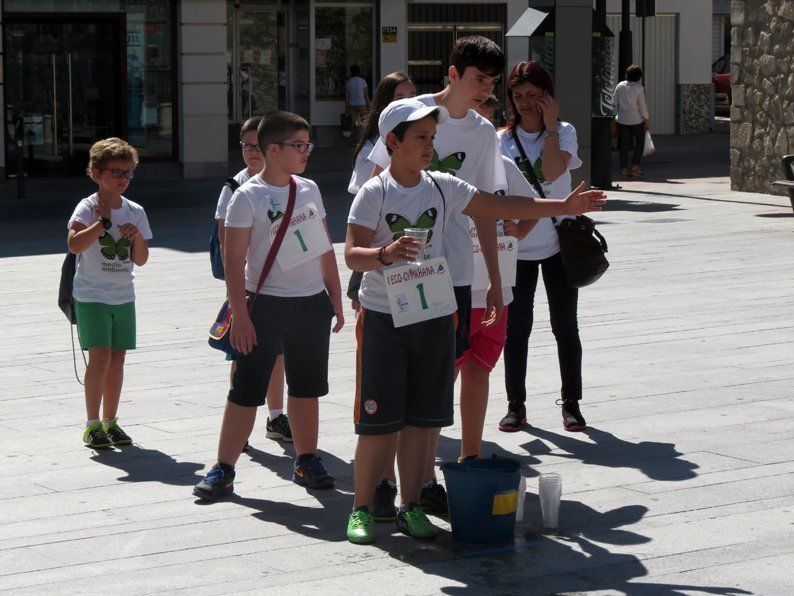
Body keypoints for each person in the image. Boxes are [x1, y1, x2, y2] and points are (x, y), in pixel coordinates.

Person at [345, 98, 606, 544]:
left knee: (423, 420)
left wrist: (564, 204)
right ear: (393, 142)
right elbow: (352, 253)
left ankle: (410, 506)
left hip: (435, 315)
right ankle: (361, 509)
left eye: (432, 137)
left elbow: (498, 206)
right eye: (420, 138)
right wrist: (385, 254)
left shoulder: (444, 186)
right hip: (386, 317)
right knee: (378, 420)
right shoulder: (377, 192)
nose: (429, 146)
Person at [366, 35, 507, 521]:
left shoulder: (486, 133)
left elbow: (489, 209)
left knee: (431, 386)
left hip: (454, 275)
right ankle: (381, 483)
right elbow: (371, 189)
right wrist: (375, 256)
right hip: (397, 273)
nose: (484, 89)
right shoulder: (411, 114)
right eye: (476, 79)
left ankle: (422, 486)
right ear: (452, 74)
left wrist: (492, 279)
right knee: (387, 384)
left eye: (491, 81)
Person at [193, 112, 345, 501]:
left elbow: (324, 245)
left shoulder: (309, 189)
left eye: (308, 144)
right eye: (298, 145)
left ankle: (306, 460)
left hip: (310, 303)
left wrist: (334, 296)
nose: (306, 151)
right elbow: (233, 260)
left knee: (307, 387)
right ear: (272, 149)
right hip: (265, 303)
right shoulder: (247, 196)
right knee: (246, 389)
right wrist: (240, 315)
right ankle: (223, 468)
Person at [496, 60, 587, 433]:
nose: (525, 103)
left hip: (558, 245)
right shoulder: (500, 139)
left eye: (533, 95)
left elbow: (551, 173)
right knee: (516, 329)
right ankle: (515, 405)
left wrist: (549, 129)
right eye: (518, 96)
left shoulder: (564, 132)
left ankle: (571, 404)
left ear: (548, 96)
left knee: (565, 326)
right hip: (517, 245)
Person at [67, 138, 152, 448]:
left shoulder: (135, 210)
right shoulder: (88, 207)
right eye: (117, 172)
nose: (123, 179)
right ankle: (92, 424)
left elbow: (140, 259)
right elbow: (74, 244)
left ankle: (111, 421)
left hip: (123, 296)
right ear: (96, 173)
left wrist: (136, 234)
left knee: (118, 361)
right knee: (100, 358)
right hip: (91, 296)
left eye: (129, 173)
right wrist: (102, 222)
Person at [214, 116, 292, 445]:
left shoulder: (290, 184)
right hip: (248, 287)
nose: (252, 152)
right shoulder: (235, 187)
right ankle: (239, 424)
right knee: (241, 354)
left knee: (277, 355)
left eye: (257, 146)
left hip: (282, 285)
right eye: (246, 146)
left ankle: (276, 417)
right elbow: (226, 245)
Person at [347, 72, 417, 312]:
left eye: (412, 95)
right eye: (399, 97)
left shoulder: (425, 139)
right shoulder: (372, 145)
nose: (407, 102)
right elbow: (363, 202)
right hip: (380, 245)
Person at [613, 64, 650, 179]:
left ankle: (624, 170)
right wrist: (646, 120)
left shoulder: (620, 86)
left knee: (623, 145)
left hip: (622, 120)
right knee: (639, 142)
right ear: (639, 77)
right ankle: (635, 167)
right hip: (636, 120)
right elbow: (642, 106)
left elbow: (613, 102)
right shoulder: (639, 88)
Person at [345, 65, 370, 136]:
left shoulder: (349, 82)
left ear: (351, 72)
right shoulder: (363, 81)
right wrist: (368, 105)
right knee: (364, 121)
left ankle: (354, 137)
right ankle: (363, 136)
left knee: (354, 122)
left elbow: (347, 96)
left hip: (352, 103)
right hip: (361, 103)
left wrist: (346, 107)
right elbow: (366, 95)